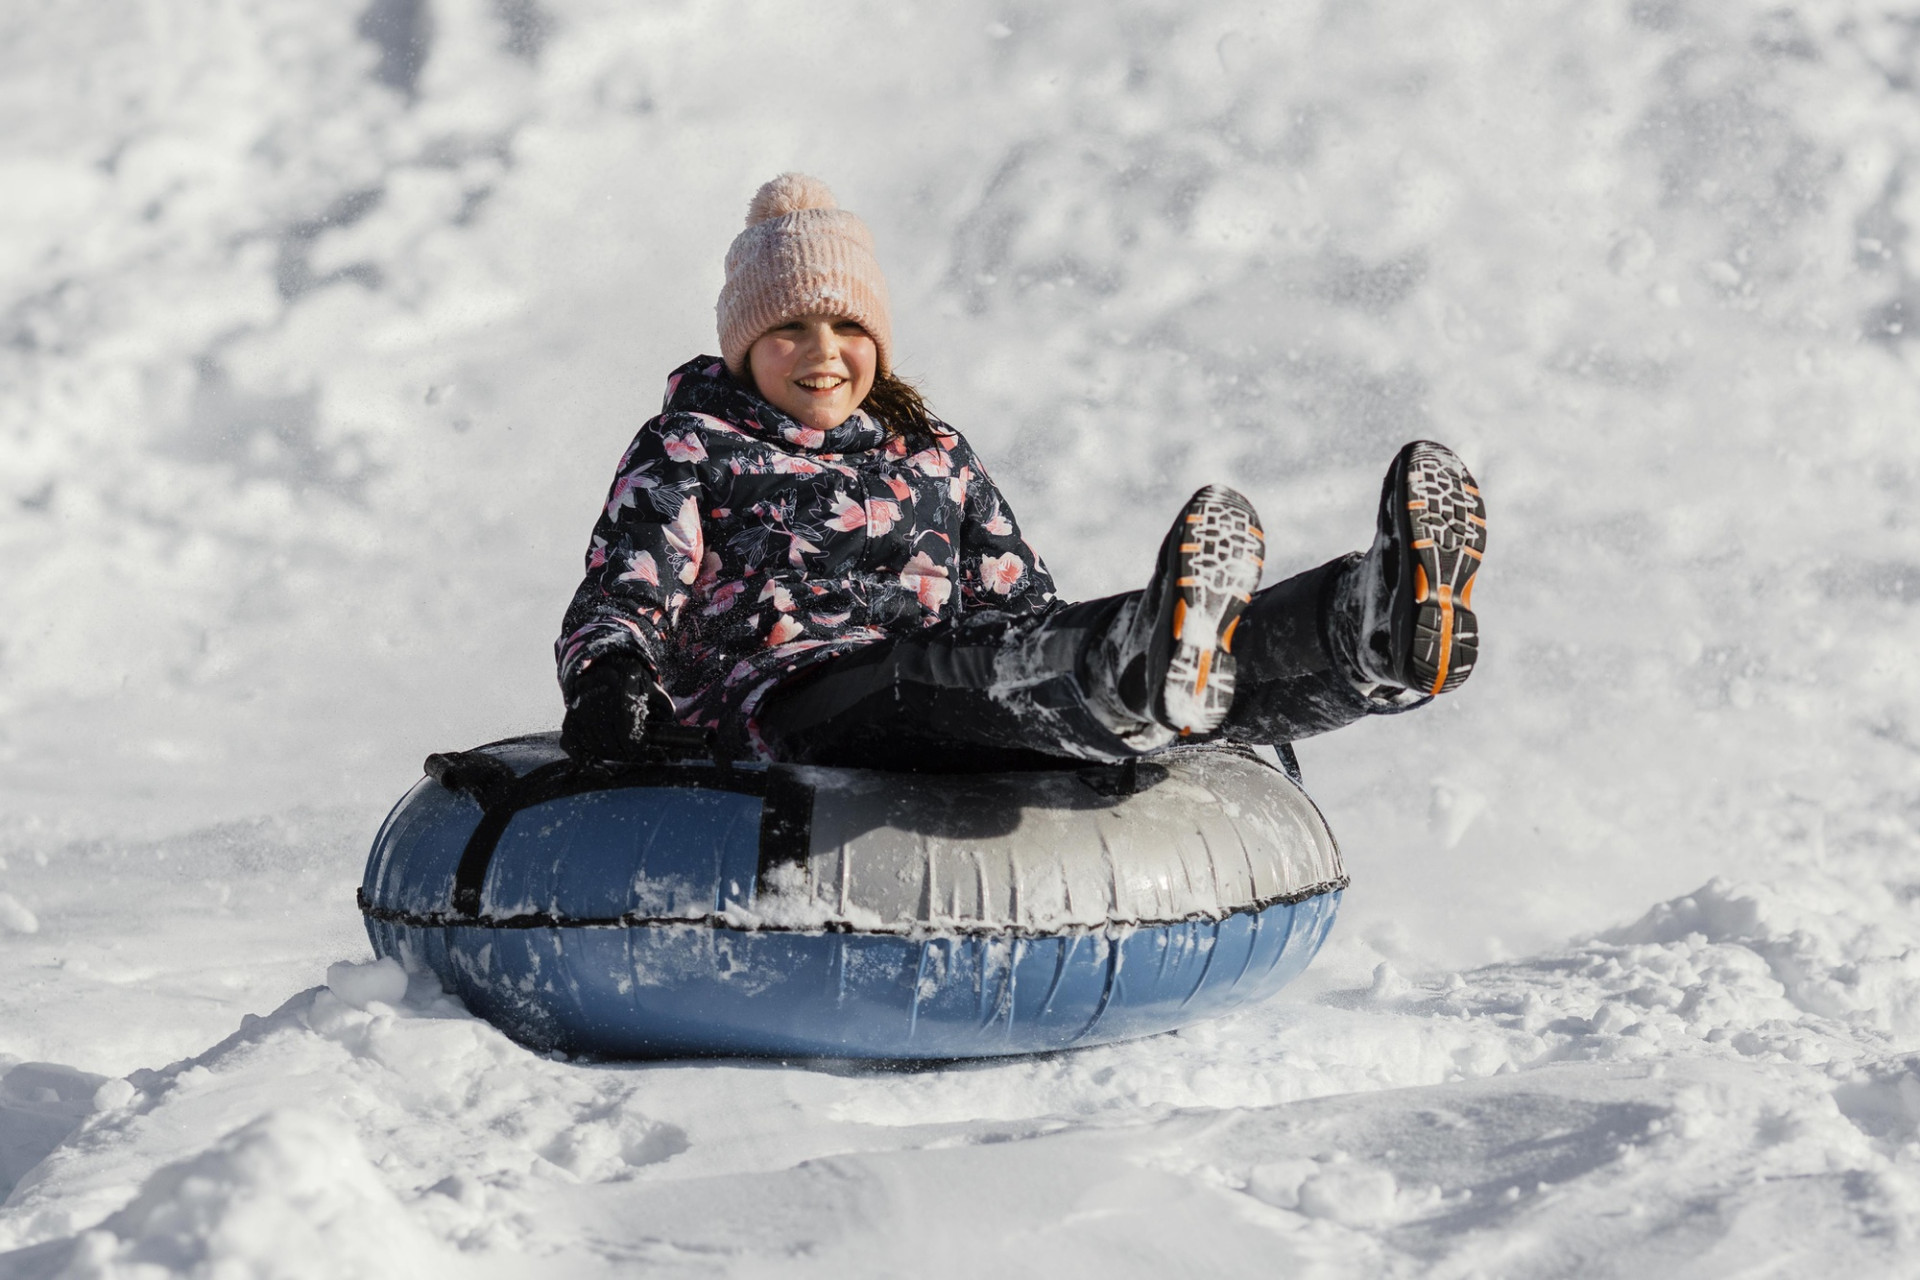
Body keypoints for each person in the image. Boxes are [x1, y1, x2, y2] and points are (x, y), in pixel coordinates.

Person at [556, 174, 1486, 771]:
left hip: (944, 679)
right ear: (744, 345)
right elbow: (625, 592)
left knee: (1051, 644)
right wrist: (610, 681)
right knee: (942, 673)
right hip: (786, 700)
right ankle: (1134, 676)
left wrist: (1067, 636)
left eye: (849, 329)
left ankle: (1359, 635)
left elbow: (1016, 600)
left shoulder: (933, 452)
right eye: (788, 330)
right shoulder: (692, 447)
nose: (823, 353)